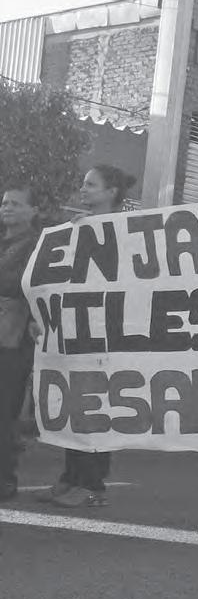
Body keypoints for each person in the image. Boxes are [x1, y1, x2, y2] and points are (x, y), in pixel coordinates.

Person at [37, 166, 135, 507]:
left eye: (91, 185)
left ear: (111, 192)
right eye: (83, 184)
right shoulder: (76, 228)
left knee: (96, 406)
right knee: (74, 403)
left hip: (105, 331)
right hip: (75, 328)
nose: (83, 189)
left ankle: (93, 484)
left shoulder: (127, 229)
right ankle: (71, 477)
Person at [0, 186, 42, 501]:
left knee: (4, 412)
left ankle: (5, 479)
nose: (7, 208)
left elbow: (27, 285)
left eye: (16, 203)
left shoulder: (38, 246)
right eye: (4, 202)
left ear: (33, 211)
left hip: (13, 340)